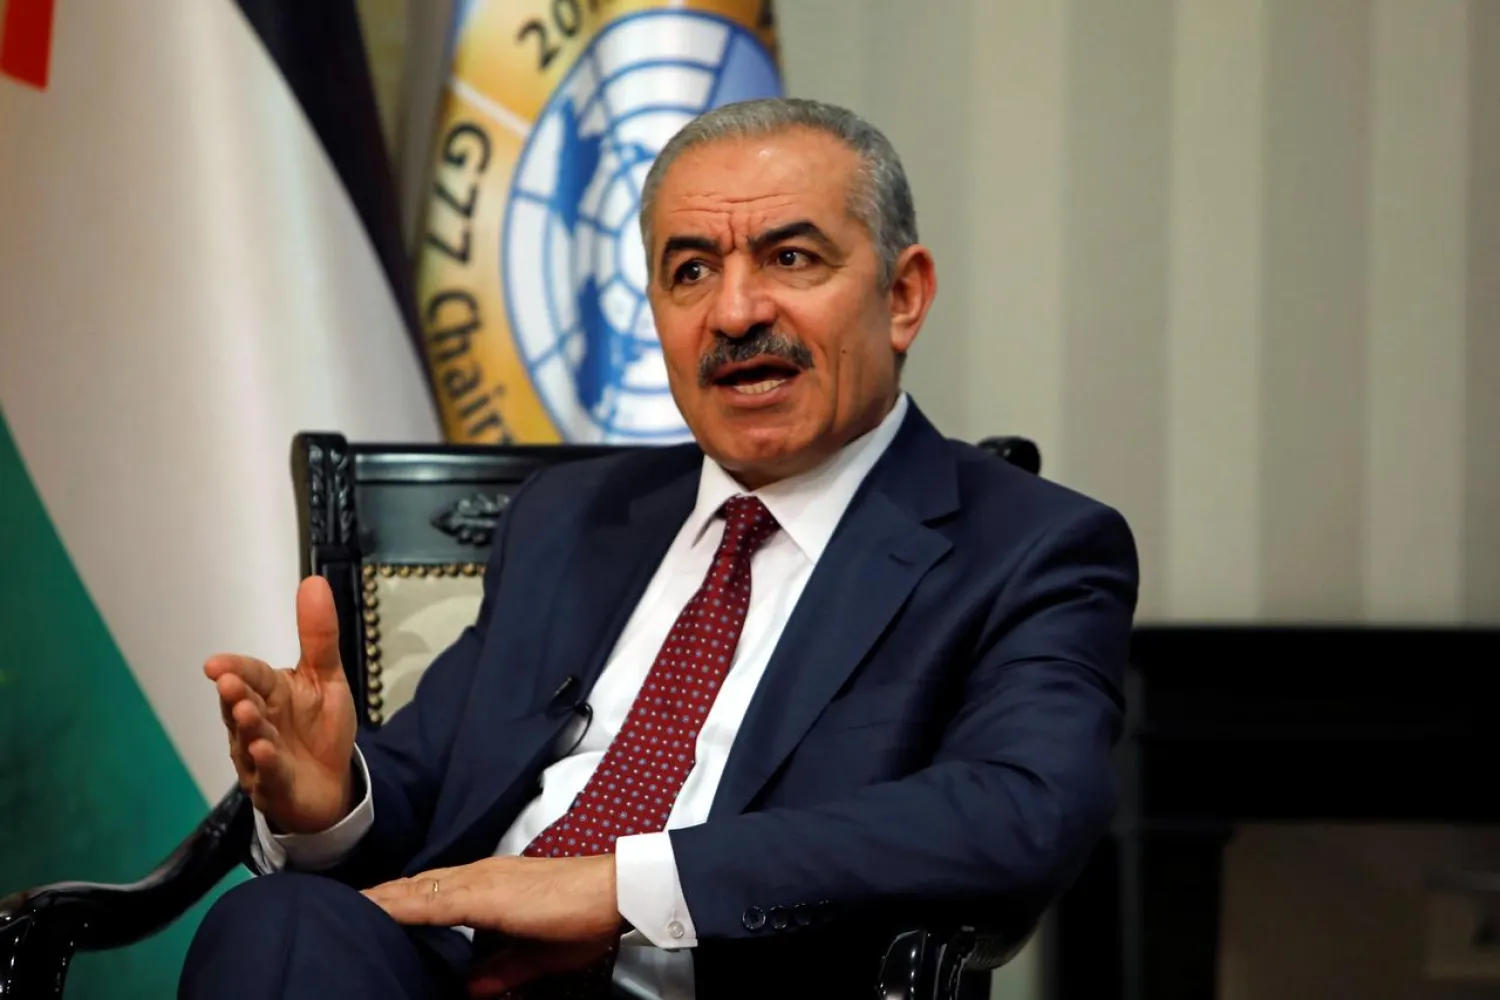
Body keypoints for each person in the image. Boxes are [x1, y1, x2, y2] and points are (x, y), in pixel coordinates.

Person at [180, 97, 1138, 1000]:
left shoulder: (1029, 548)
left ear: (902, 295)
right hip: (452, 978)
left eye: (791, 258)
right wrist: (330, 799)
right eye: (689, 270)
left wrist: (622, 886)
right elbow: (434, 781)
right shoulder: (572, 519)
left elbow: (1019, 811)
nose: (733, 314)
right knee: (277, 921)